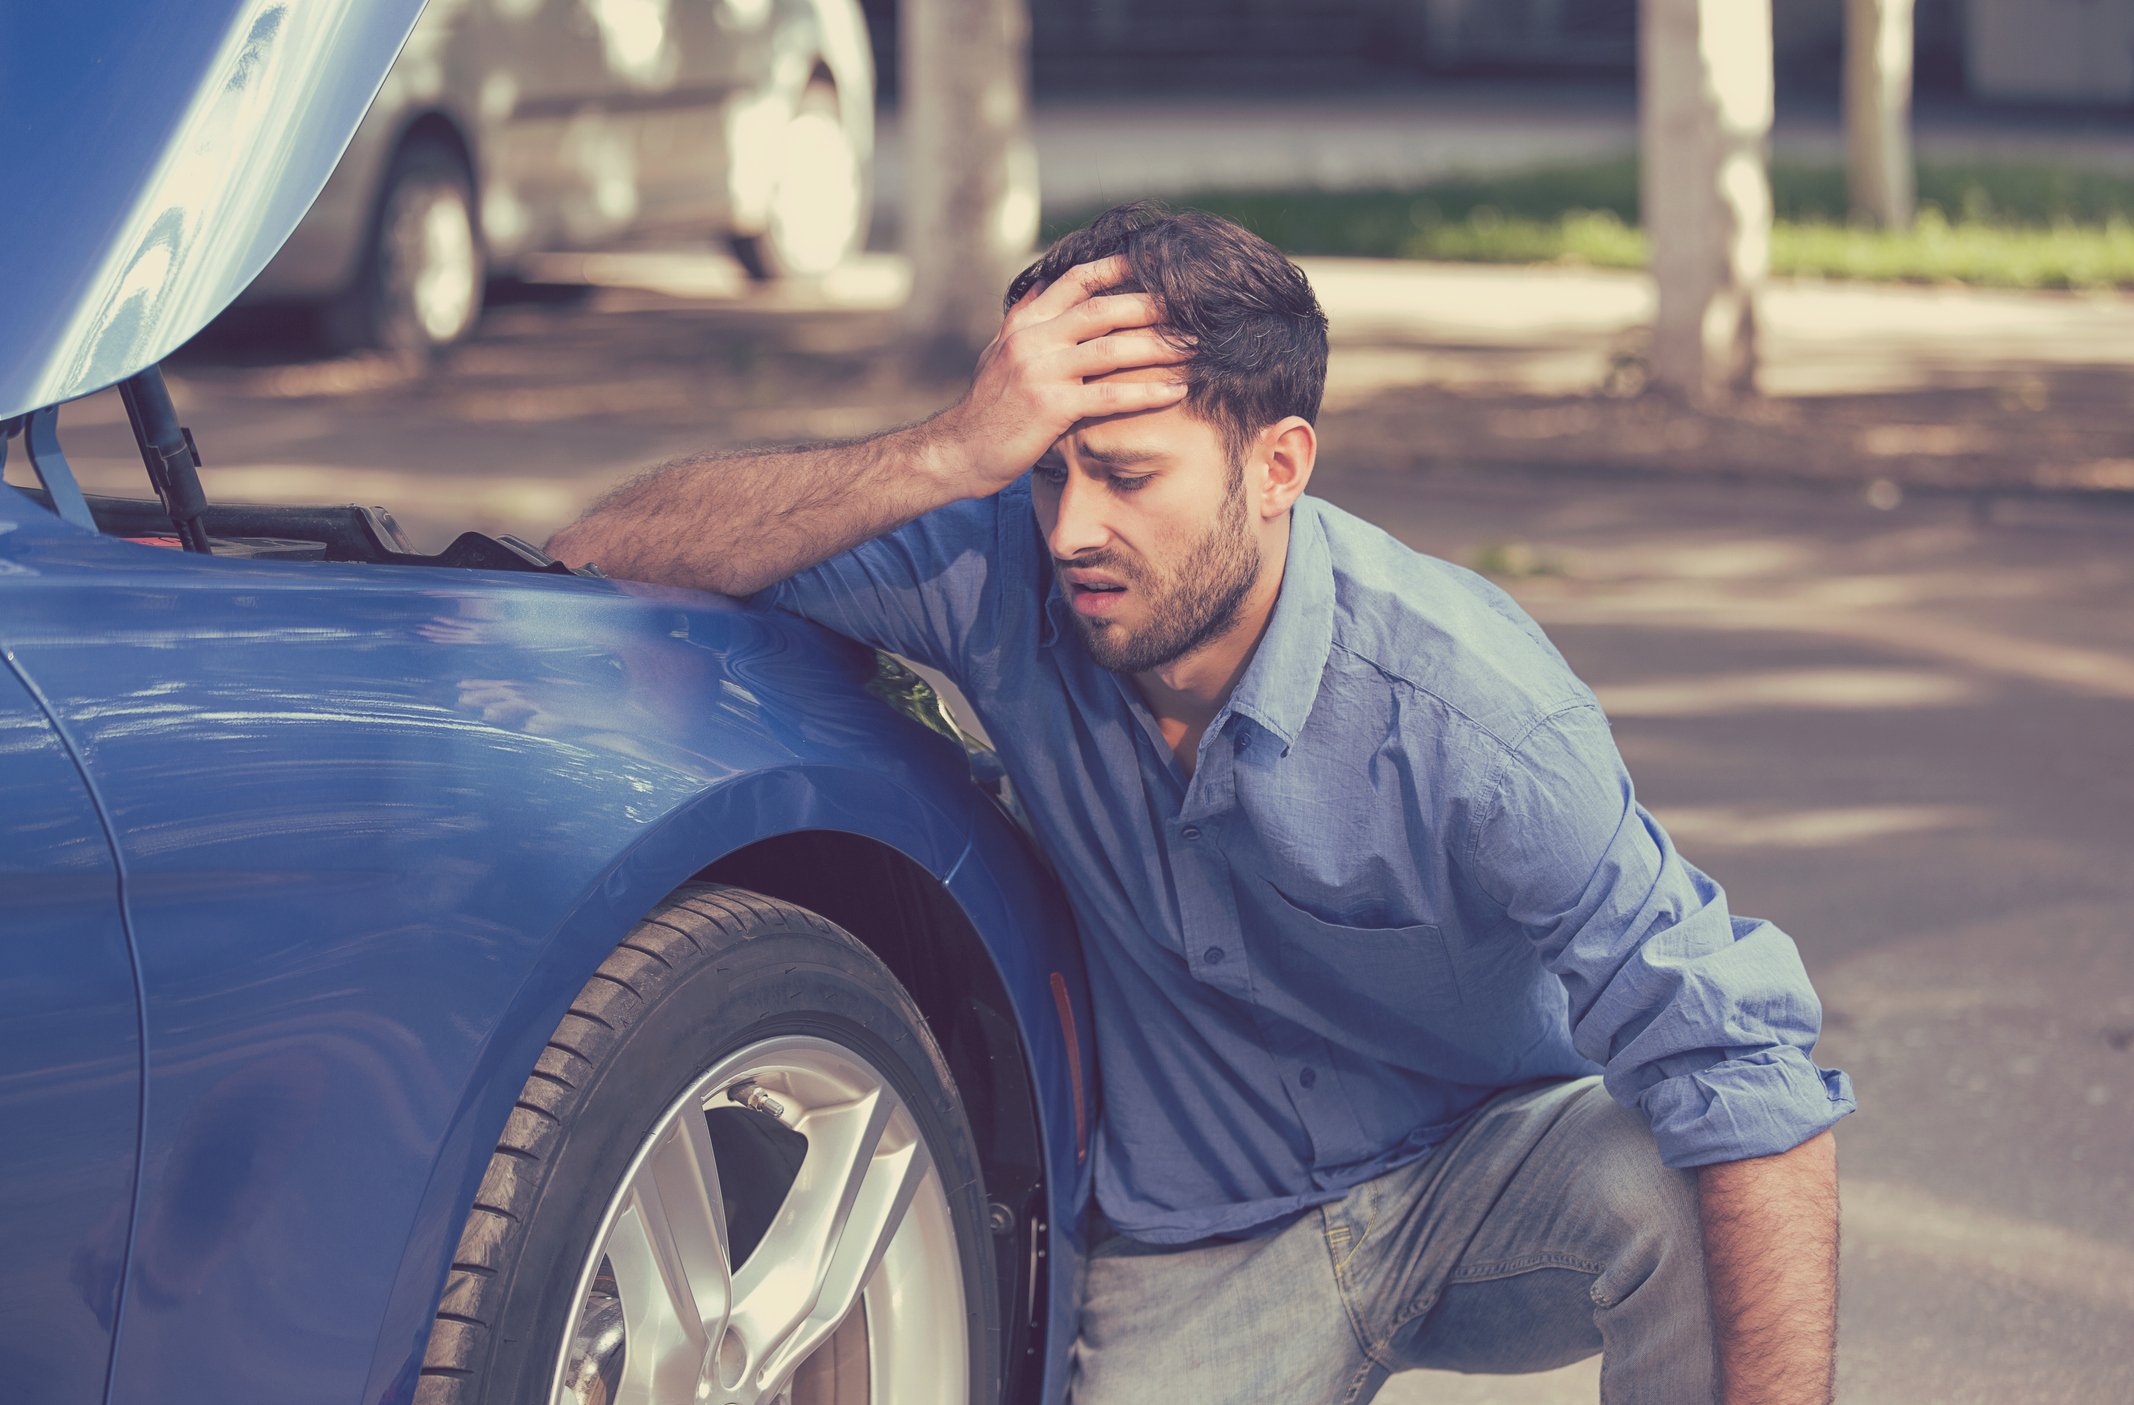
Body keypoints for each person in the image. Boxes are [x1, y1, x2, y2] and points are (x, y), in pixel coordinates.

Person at [549, 202, 1854, 1405]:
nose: (1069, 529)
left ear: (1276, 464)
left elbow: (1743, 1066)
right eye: (1049, 472)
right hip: (1204, 1235)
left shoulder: (1472, 710)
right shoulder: (999, 561)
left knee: (1676, 1181)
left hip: (1484, 1173)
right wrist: (949, 450)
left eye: (1125, 475)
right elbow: (600, 550)